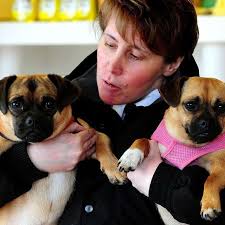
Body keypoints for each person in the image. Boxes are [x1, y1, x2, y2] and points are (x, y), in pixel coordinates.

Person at [1, 0, 225, 225]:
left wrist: (157, 179)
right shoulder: (58, 102)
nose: (112, 66)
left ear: (171, 64)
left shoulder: (203, 124)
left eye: (135, 56)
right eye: (109, 44)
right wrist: (31, 161)